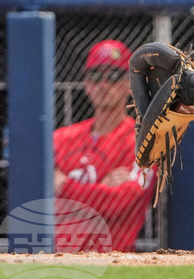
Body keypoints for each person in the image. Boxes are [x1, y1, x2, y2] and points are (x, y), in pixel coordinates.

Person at [53, 40, 156, 252]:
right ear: (87, 84)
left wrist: (64, 187)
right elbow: (37, 199)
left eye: (115, 75)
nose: (104, 84)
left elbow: (121, 202)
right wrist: (102, 188)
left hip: (112, 262)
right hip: (57, 262)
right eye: (96, 76)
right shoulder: (61, 139)